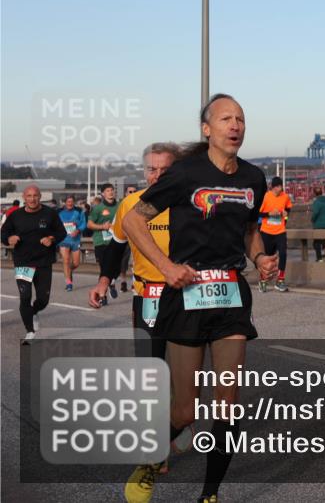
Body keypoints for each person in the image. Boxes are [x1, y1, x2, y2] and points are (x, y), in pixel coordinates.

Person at [121, 93, 276, 503]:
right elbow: (135, 221)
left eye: (240, 118)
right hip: (187, 294)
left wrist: (259, 257)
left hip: (229, 295)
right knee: (185, 412)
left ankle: (210, 494)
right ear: (206, 129)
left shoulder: (253, 178)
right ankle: (151, 460)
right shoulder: (186, 173)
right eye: (226, 118)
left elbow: (248, 229)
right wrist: (168, 267)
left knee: (228, 401)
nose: (235, 125)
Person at [87, 143, 187, 499]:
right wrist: (103, 280)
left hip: (186, 296)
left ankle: (172, 427)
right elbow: (115, 246)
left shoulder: (188, 201)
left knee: (182, 374)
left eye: (164, 170)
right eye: (151, 170)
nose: (157, 176)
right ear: (143, 172)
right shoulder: (132, 205)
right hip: (149, 297)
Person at [1, 184, 67, 343]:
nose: (32, 199)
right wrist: (8, 239)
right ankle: (30, 331)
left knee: (43, 300)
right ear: (24, 198)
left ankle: (34, 311)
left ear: (40, 197)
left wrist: (51, 239)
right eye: (29, 196)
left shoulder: (50, 213)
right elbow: (4, 233)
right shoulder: (15, 215)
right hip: (23, 262)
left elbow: (61, 233)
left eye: (35, 196)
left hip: (44, 261)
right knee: (25, 297)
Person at [259, 176, 293, 292]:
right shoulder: (266, 196)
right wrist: (269, 214)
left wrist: (286, 215)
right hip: (267, 232)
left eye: (281, 186)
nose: (280, 188)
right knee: (267, 258)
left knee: (283, 253)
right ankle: (263, 280)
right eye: (278, 186)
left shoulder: (285, 197)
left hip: (280, 231)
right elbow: (258, 214)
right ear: (273, 187)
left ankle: (280, 280)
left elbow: (288, 210)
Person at [88, 183, 120, 296]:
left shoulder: (120, 205)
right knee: (104, 269)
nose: (111, 192)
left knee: (117, 268)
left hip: (116, 241)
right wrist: (102, 227)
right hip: (101, 242)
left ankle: (112, 282)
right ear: (103, 194)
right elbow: (90, 224)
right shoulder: (98, 208)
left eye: (112, 190)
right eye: (107, 190)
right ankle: (103, 295)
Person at [57, 195, 87, 290]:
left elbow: (83, 223)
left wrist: (78, 230)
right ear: (65, 202)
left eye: (71, 202)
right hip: (63, 239)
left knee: (76, 263)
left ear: (73, 202)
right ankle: (68, 283)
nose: (70, 203)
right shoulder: (59, 212)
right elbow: (54, 224)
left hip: (75, 240)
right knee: (65, 260)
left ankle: (68, 271)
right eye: (68, 201)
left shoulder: (79, 211)